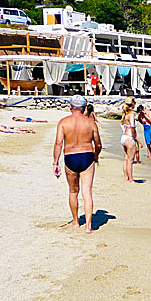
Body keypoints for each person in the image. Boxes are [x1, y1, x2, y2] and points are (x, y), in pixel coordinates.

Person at [53, 95, 102, 233]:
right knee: (87, 192)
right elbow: (98, 143)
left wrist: (55, 163)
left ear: (70, 107)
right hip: (87, 156)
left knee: (73, 191)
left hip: (70, 156)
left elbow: (58, 144)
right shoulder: (90, 123)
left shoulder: (63, 122)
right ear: (84, 107)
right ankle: (88, 226)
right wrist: (96, 156)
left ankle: (75, 221)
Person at [120, 97, 138, 182]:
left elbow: (121, 123)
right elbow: (133, 126)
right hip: (129, 137)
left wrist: (124, 130)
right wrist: (134, 136)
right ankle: (131, 179)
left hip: (124, 136)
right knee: (130, 160)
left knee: (126, 159)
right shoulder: (131, 114)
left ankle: (126, 177)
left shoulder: (125, 114)